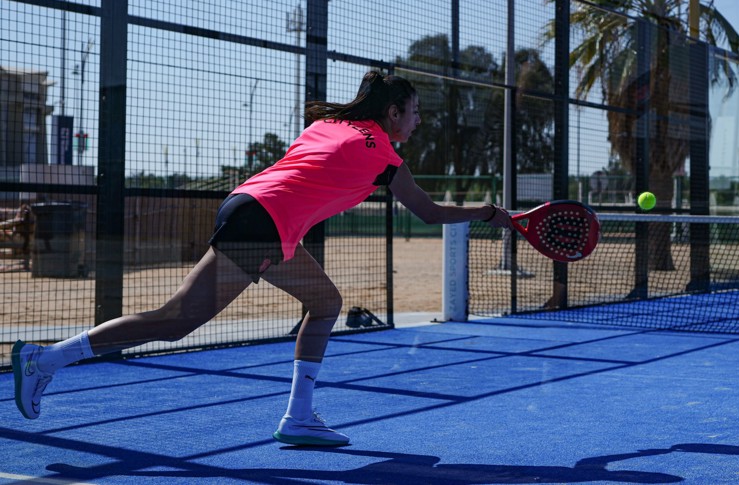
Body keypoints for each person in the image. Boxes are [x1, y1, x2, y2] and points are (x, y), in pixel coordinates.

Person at [11, 71, 513, 446]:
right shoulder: (384, 155)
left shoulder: (329, 124)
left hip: (255, 210)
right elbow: (428, 212)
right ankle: (46, 358)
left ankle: (298, 417)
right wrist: (492, 212)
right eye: (415, 111)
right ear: (392, 114)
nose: (419, 120)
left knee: (325, 302)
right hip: (264, 222)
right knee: (176, 321)